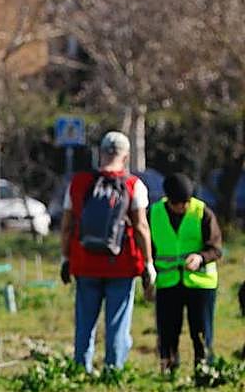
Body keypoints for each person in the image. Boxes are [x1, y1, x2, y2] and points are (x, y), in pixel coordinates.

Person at [59, 131, 156, 372]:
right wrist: (148, 263)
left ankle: (81, 367)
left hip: (85, 261)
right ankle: (113, 368)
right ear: (125, 156)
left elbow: (67, 226)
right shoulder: (134, 185)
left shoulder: (79, 183)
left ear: (100, 153)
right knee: (117, 321)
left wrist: (65, 258)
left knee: (84, 321)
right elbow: (142, 227)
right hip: (121, 265)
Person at [149, 173, 221, 372]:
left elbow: (216, 248)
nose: (184, 207)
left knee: (200, 330)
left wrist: (200, 257)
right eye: (179, 203)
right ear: (169, 200)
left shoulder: (202, 212)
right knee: (168, 330)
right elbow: (148, 249)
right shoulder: (154, 213)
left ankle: (204, 368)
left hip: (200, 282)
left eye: (186, 202)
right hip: (167, 281)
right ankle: (168, 367)